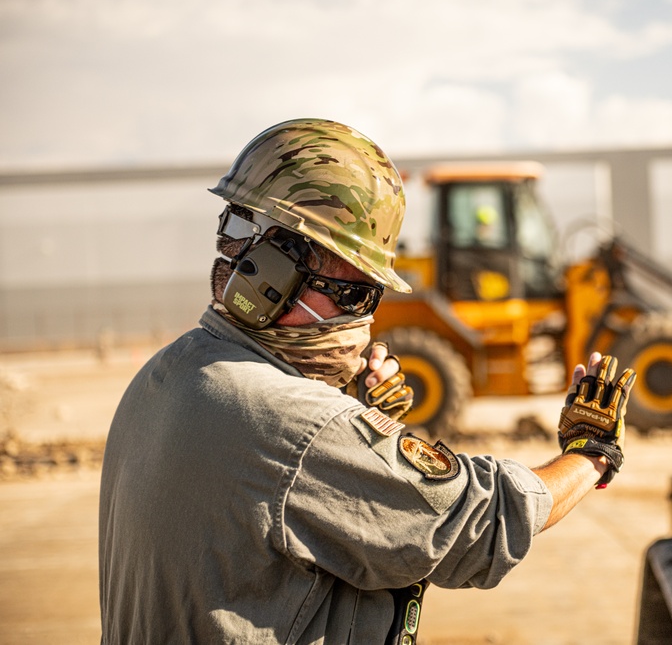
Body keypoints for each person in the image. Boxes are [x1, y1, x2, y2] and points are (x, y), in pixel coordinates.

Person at [98, 118, 635, 644]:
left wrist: (350, 417)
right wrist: (590, 453)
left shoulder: (168, 373)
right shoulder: (302, 427)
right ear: (272, 274)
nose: (360, 323)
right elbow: (477, 521)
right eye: (353, 295)